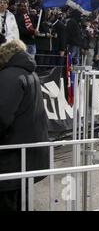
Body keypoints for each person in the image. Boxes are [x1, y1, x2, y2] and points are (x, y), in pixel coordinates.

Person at [0, 39, 49, 211]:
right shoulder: (30, 73)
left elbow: (2, 116)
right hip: (28, 153)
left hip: (12, 157)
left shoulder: (9, 76)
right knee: (23, 200)